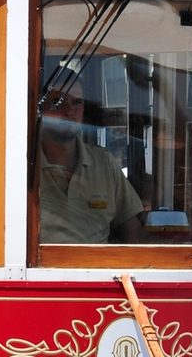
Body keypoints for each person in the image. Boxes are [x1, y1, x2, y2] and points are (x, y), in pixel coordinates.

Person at [37, 78, 144, 244]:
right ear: (40, 109)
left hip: (98, 267)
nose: (69, 111)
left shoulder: (104, 162)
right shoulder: (18, 165)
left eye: (77, 102)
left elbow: (132, 231)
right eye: (58, 102)